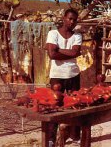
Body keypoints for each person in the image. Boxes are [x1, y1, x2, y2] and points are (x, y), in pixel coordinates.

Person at [46, 8, 82, 145]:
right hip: (57, 75)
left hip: (73, 74)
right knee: (55, 105)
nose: (72, 22)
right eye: (70, 18)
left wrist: (57, 49)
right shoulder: (53, 33)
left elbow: (74, 53)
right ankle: (51, 138)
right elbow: (52, 55)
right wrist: (70, 53)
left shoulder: (77, 36)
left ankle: (75, 136)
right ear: (64, 18)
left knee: (75, 104)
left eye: (74, 20)